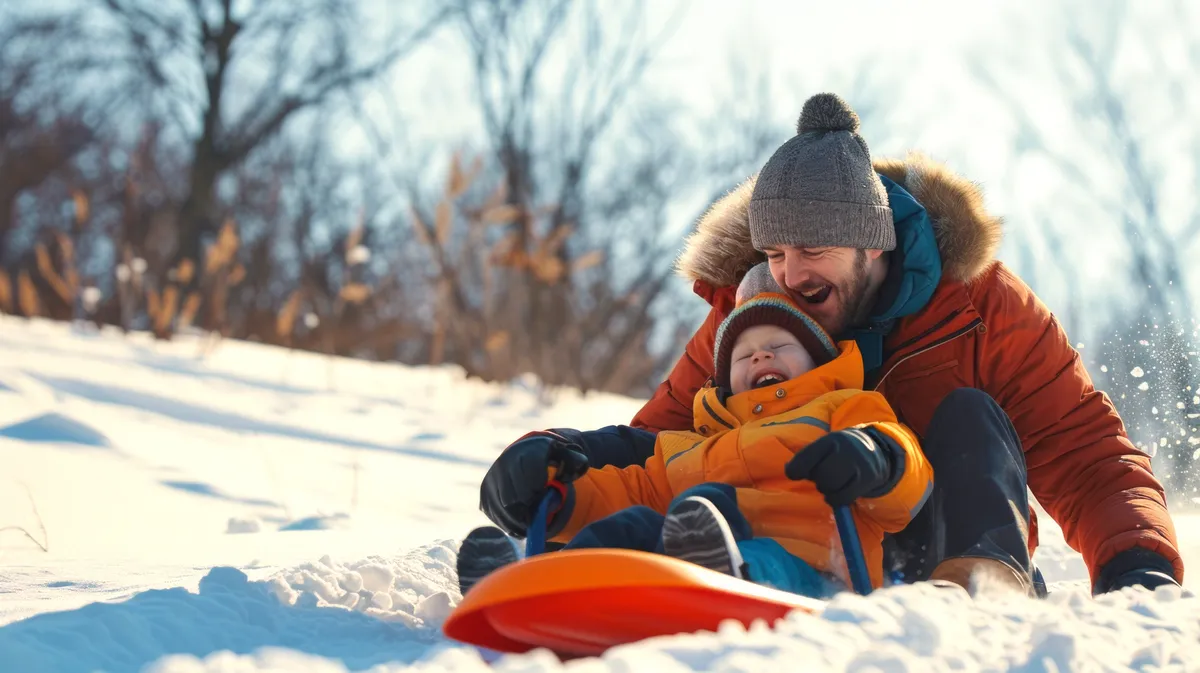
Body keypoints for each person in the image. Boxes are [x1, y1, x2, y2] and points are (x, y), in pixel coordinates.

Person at [614, 92, 1182, 595]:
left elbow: (1081, 450)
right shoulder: (754, 315)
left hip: (948, 544)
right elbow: (656, 443)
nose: (789, 275)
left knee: (968, 414)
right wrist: (558, 468)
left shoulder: (979, 307)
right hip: (802, 555)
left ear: (875, 246)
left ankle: (980, 585)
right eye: (775, 254)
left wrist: (1136, 565)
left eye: (812, 250)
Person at [459, 266, 933, 598]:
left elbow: (908, 470)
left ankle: (720, 568)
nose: (761, 357)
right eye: (744, 356)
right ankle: (534, 586)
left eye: (779, 346)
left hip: (811, 574)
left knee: (713, 515)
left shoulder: (847, 408)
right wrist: (565, 495)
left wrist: (877, 456)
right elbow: (635, 488)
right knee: (637, 524)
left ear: (818, 359)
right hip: (691, 552)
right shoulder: (692, 445)